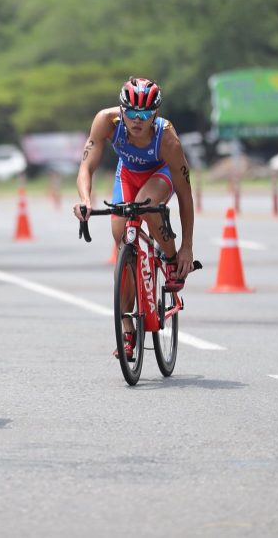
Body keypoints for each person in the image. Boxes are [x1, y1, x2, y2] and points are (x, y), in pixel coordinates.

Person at [73, 76, 196, 359]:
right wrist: (85, 199)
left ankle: (169, 258)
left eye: (144, 114)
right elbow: (86, 165)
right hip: (127, 174)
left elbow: (186, 194)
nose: (137, 120)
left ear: (155, 114)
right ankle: (127, 329)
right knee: (121, 237)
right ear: (121, 109)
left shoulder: (167, 139)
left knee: (145, 206)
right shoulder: (106, 121)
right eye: (131, 113)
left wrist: (186, 246)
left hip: (159, 175)